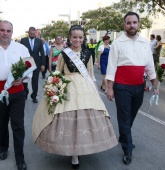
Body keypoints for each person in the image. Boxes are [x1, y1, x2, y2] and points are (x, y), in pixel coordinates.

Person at [32, 25, 118, 169]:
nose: (77, 40)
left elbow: (90, 74)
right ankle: (74, 154)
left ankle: (83, 147)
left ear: (83, 38)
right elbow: (58, 73)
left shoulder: (88, 54)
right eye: (74, 37)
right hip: (69, 89)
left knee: (86, 119)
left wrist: (96, 90)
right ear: (70, 38)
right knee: (69, 120)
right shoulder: (63, 54)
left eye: (80, 37)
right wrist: (53, 88)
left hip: (85, 89)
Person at [106, 12, 156, 165]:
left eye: (134, 22)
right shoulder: (117, 43)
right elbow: (112, 66)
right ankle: (127, 150)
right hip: (122, 87)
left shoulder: (144, 43)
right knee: (124, 117)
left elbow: (149, 65)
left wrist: (155, 83)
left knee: (132, 115)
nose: (132, 25)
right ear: (124, 25)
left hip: (139, 87)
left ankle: (123, 136)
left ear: (138, 24)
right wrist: (110, 87)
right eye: (129, 23)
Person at [0, 20, 30, 170]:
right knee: (1, 124)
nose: (5, 33)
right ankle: (3, 148)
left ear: (12, 32)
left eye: (8, 31)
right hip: (0, 92)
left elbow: (29, 66)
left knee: (18, 126)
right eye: (2, 30)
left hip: (17, 92)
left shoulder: (21, 48)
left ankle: (20, 159)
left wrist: (22, 78)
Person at [20, 27, 45, 103]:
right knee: (25, 80)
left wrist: (43, 64)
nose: (32, 35)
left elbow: (42, 53)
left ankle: (34, 96)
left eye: (34, 34)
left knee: (35, 81)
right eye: (31, 34)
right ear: (28, 33)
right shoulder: (23, 40)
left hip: (36, 64)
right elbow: (20, 52)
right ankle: (25, 93)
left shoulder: (39, 41)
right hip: (26, 64)